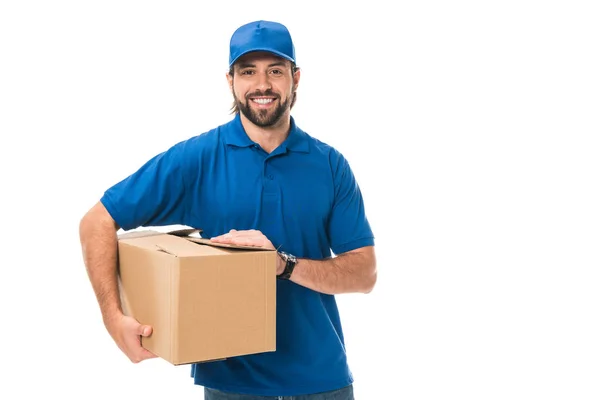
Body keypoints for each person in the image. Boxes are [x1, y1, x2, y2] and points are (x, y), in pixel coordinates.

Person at [79, 20, 376, 399]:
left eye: (275, 71)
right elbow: (97, 221)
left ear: (295, 78)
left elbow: (364, 273)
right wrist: (112, 318)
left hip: (322, 381)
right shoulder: (197, 159)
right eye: (248, 71)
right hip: (232, 385)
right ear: (230, 80)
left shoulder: (330, 165)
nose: (262, 84)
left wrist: (283, 264)